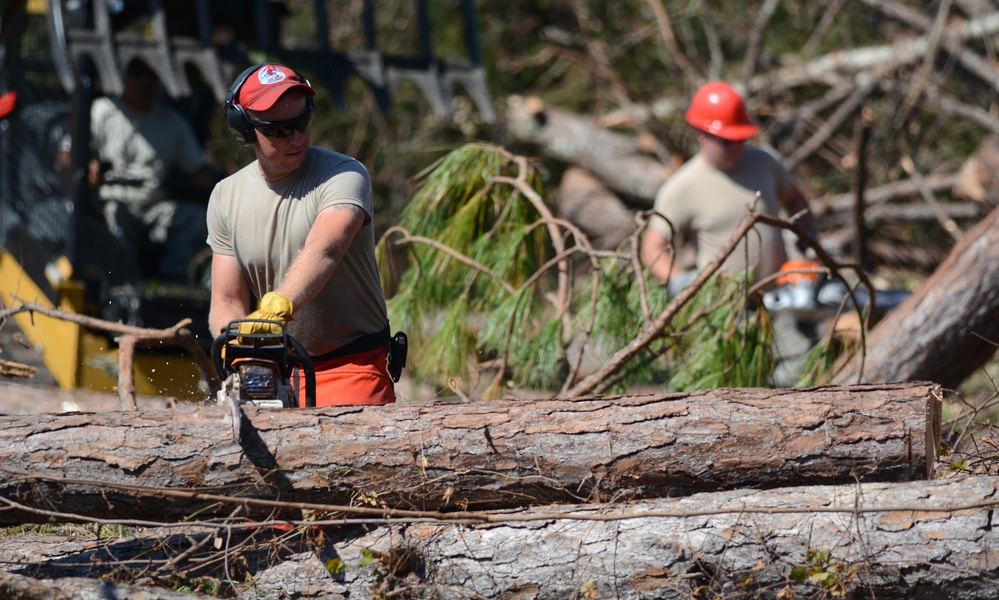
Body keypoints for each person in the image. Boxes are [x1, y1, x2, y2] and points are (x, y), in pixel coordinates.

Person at [207, 63, 395, 406]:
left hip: (350, 365)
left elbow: (325, 249)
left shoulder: (344, 175)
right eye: (279, 130)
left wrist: (278, 306)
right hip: (271, 368)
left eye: (302, 123)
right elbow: (226, 298)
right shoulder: (225, 196)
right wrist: (239, 347)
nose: (296, 138)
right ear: (245, 129)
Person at [640, 80, 819, 385]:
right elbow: (653, 247)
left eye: (740, 138)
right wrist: (681, 280)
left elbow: (795, 201)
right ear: (701, 133)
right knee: (729, 386)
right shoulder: (683, 187)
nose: (736, 147)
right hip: (724, 312)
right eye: (725, 141)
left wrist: (807, 245)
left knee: (798, 375)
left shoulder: (765, 163)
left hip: (780, 297)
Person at [84, 57, 219, 283]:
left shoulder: (172, 122)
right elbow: (67, 156)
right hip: (111, 202)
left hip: (153, 207)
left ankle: (173, 285)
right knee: (116, 217)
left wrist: (235, 187)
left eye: (152, 74)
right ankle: (121, 285)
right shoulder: (102, 111)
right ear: (123, 75)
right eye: (137, 72)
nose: (145, 81)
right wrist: (88, 164)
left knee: (194, 218)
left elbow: (199, 174)